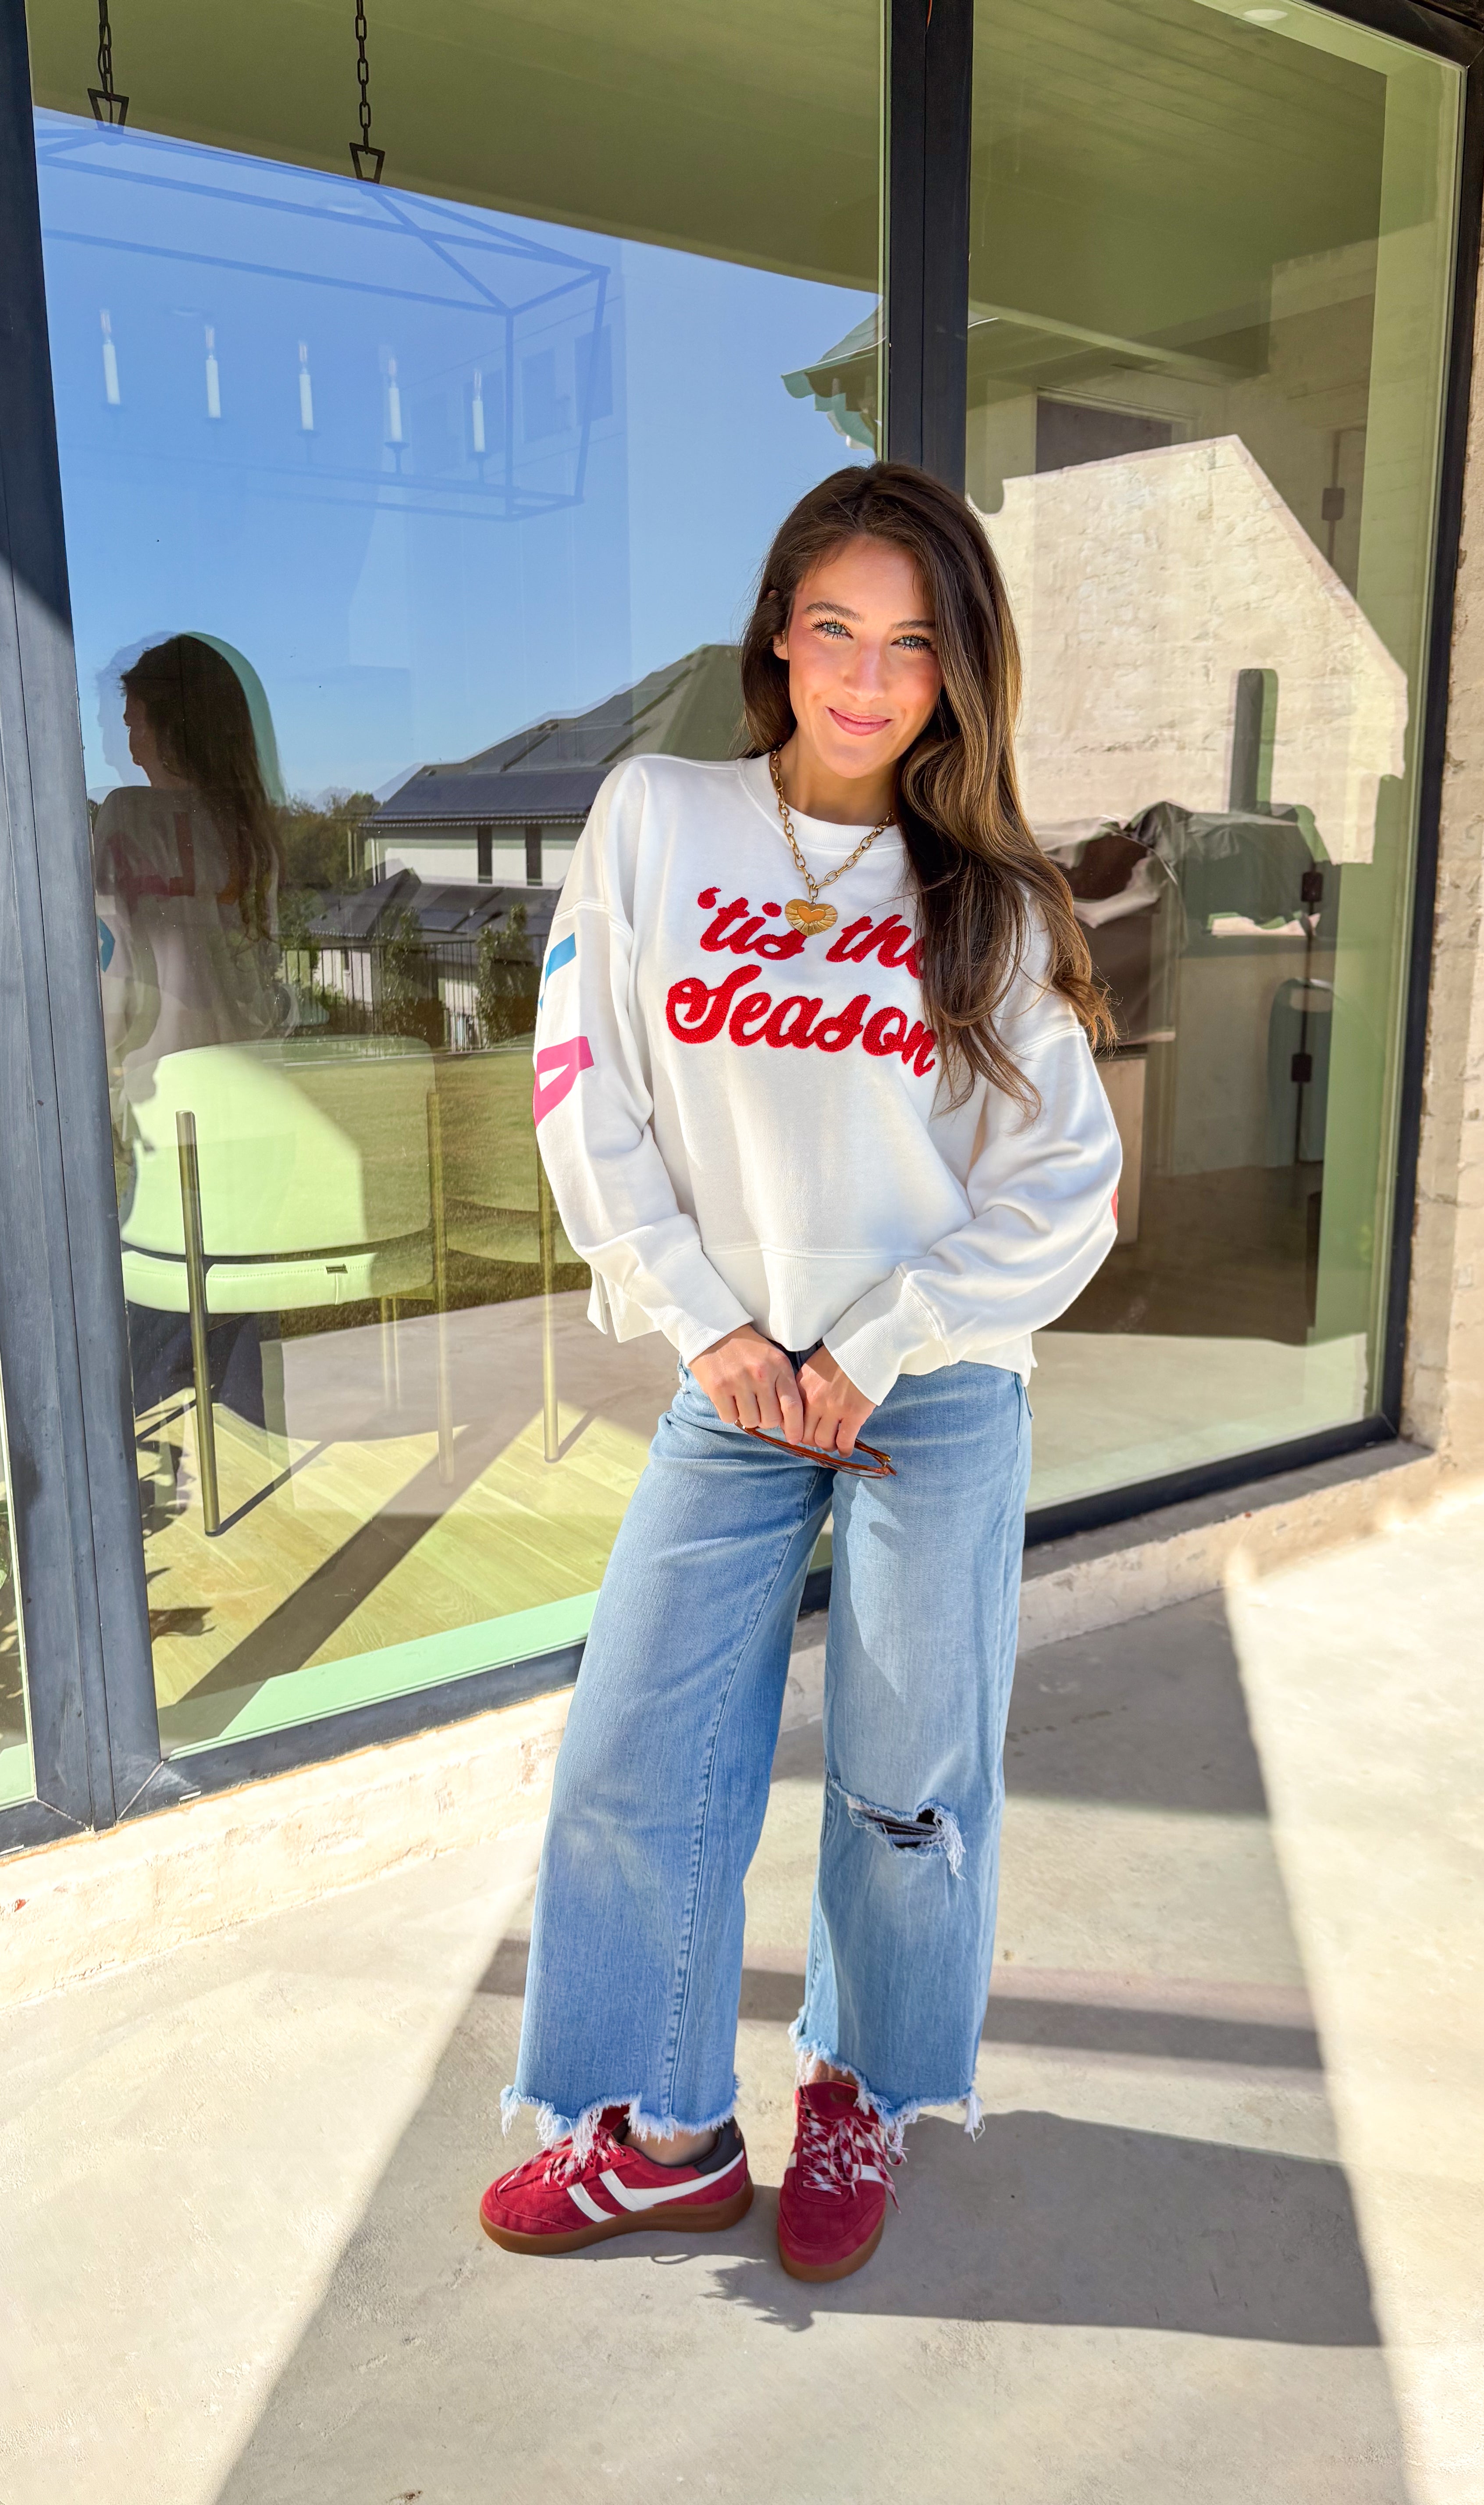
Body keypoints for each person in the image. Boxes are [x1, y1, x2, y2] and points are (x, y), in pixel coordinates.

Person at [482, 462, 1120, 2283]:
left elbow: (1062, 1192)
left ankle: (859, 2085)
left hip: (926, 1390)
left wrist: (883, 1342)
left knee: (906, 1776)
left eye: (908, 646)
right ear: (777, 633)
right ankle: (668, 2133)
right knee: (635, 1748)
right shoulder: (654, 820)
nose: (861, 677)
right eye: (832, 628)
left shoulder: (983, 904)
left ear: (952, 677)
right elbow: (581, 1089)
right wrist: (709, 1324)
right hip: (735, 1379)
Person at [94, 634, 286, 1436]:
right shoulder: (249, 827)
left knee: (157, 1288)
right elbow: (267, 971)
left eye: (138, 721)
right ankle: (251, 1459)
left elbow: (110, 972)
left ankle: (111, 1462)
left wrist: (97, 1072)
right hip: (253, 1099)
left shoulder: (124, 818)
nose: (128, 739)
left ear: (175, 729)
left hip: (159, 1100)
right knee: (240, 1294)